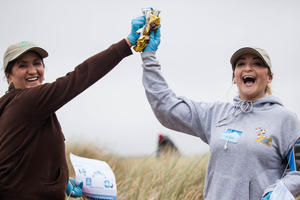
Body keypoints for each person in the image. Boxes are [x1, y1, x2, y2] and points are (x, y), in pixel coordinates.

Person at [138, 17, 300, 199]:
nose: (248, 68)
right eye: (241, 64)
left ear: (269, 77)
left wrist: (278, 193)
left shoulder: (285, 119)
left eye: (257, 63)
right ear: (234, 76)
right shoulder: (216, 114)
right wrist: (148, 56)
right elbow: (167, 107)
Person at [0, 16, 145, 200]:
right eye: (22, 66)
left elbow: (24, 159)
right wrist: (127, 44)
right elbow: (79, 77)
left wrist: (61, 180)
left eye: (37, 63)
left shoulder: (9, 105)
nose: (32, 70)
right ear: (9, 77)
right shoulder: (29, 101)